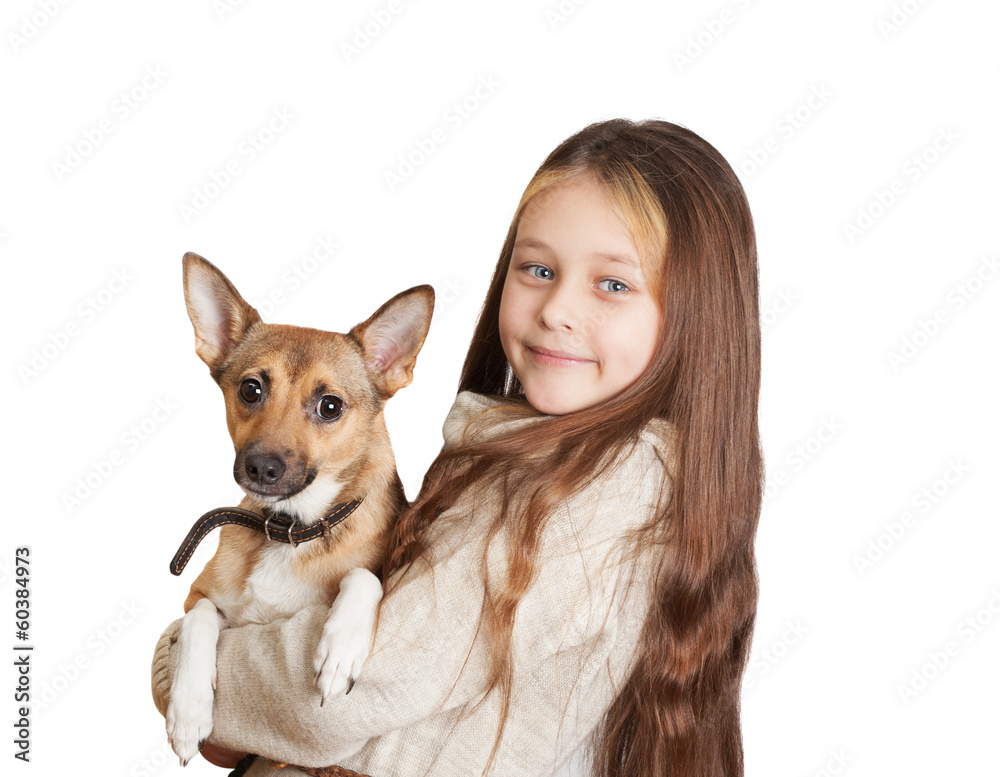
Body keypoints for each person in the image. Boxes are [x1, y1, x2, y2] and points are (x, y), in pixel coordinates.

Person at [151, 118, 764, 777]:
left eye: (612, 283)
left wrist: (178, 665)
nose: (557, 307)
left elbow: (341, 700)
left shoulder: (609, 487)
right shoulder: (506, 460)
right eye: (537, 268)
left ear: (695, 313)